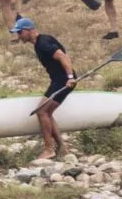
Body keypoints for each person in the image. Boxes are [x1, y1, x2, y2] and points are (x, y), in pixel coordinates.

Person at [10, 16, 74, 160]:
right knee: (47, 112)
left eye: (20, 32)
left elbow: (63, 57)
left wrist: (70, 78)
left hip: (63, 81)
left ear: (29, 30)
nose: (18, 36)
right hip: (58, 80)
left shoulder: (43, 42)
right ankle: (63, 148)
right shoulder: (39, 43)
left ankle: (49, 149)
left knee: (42, 111)